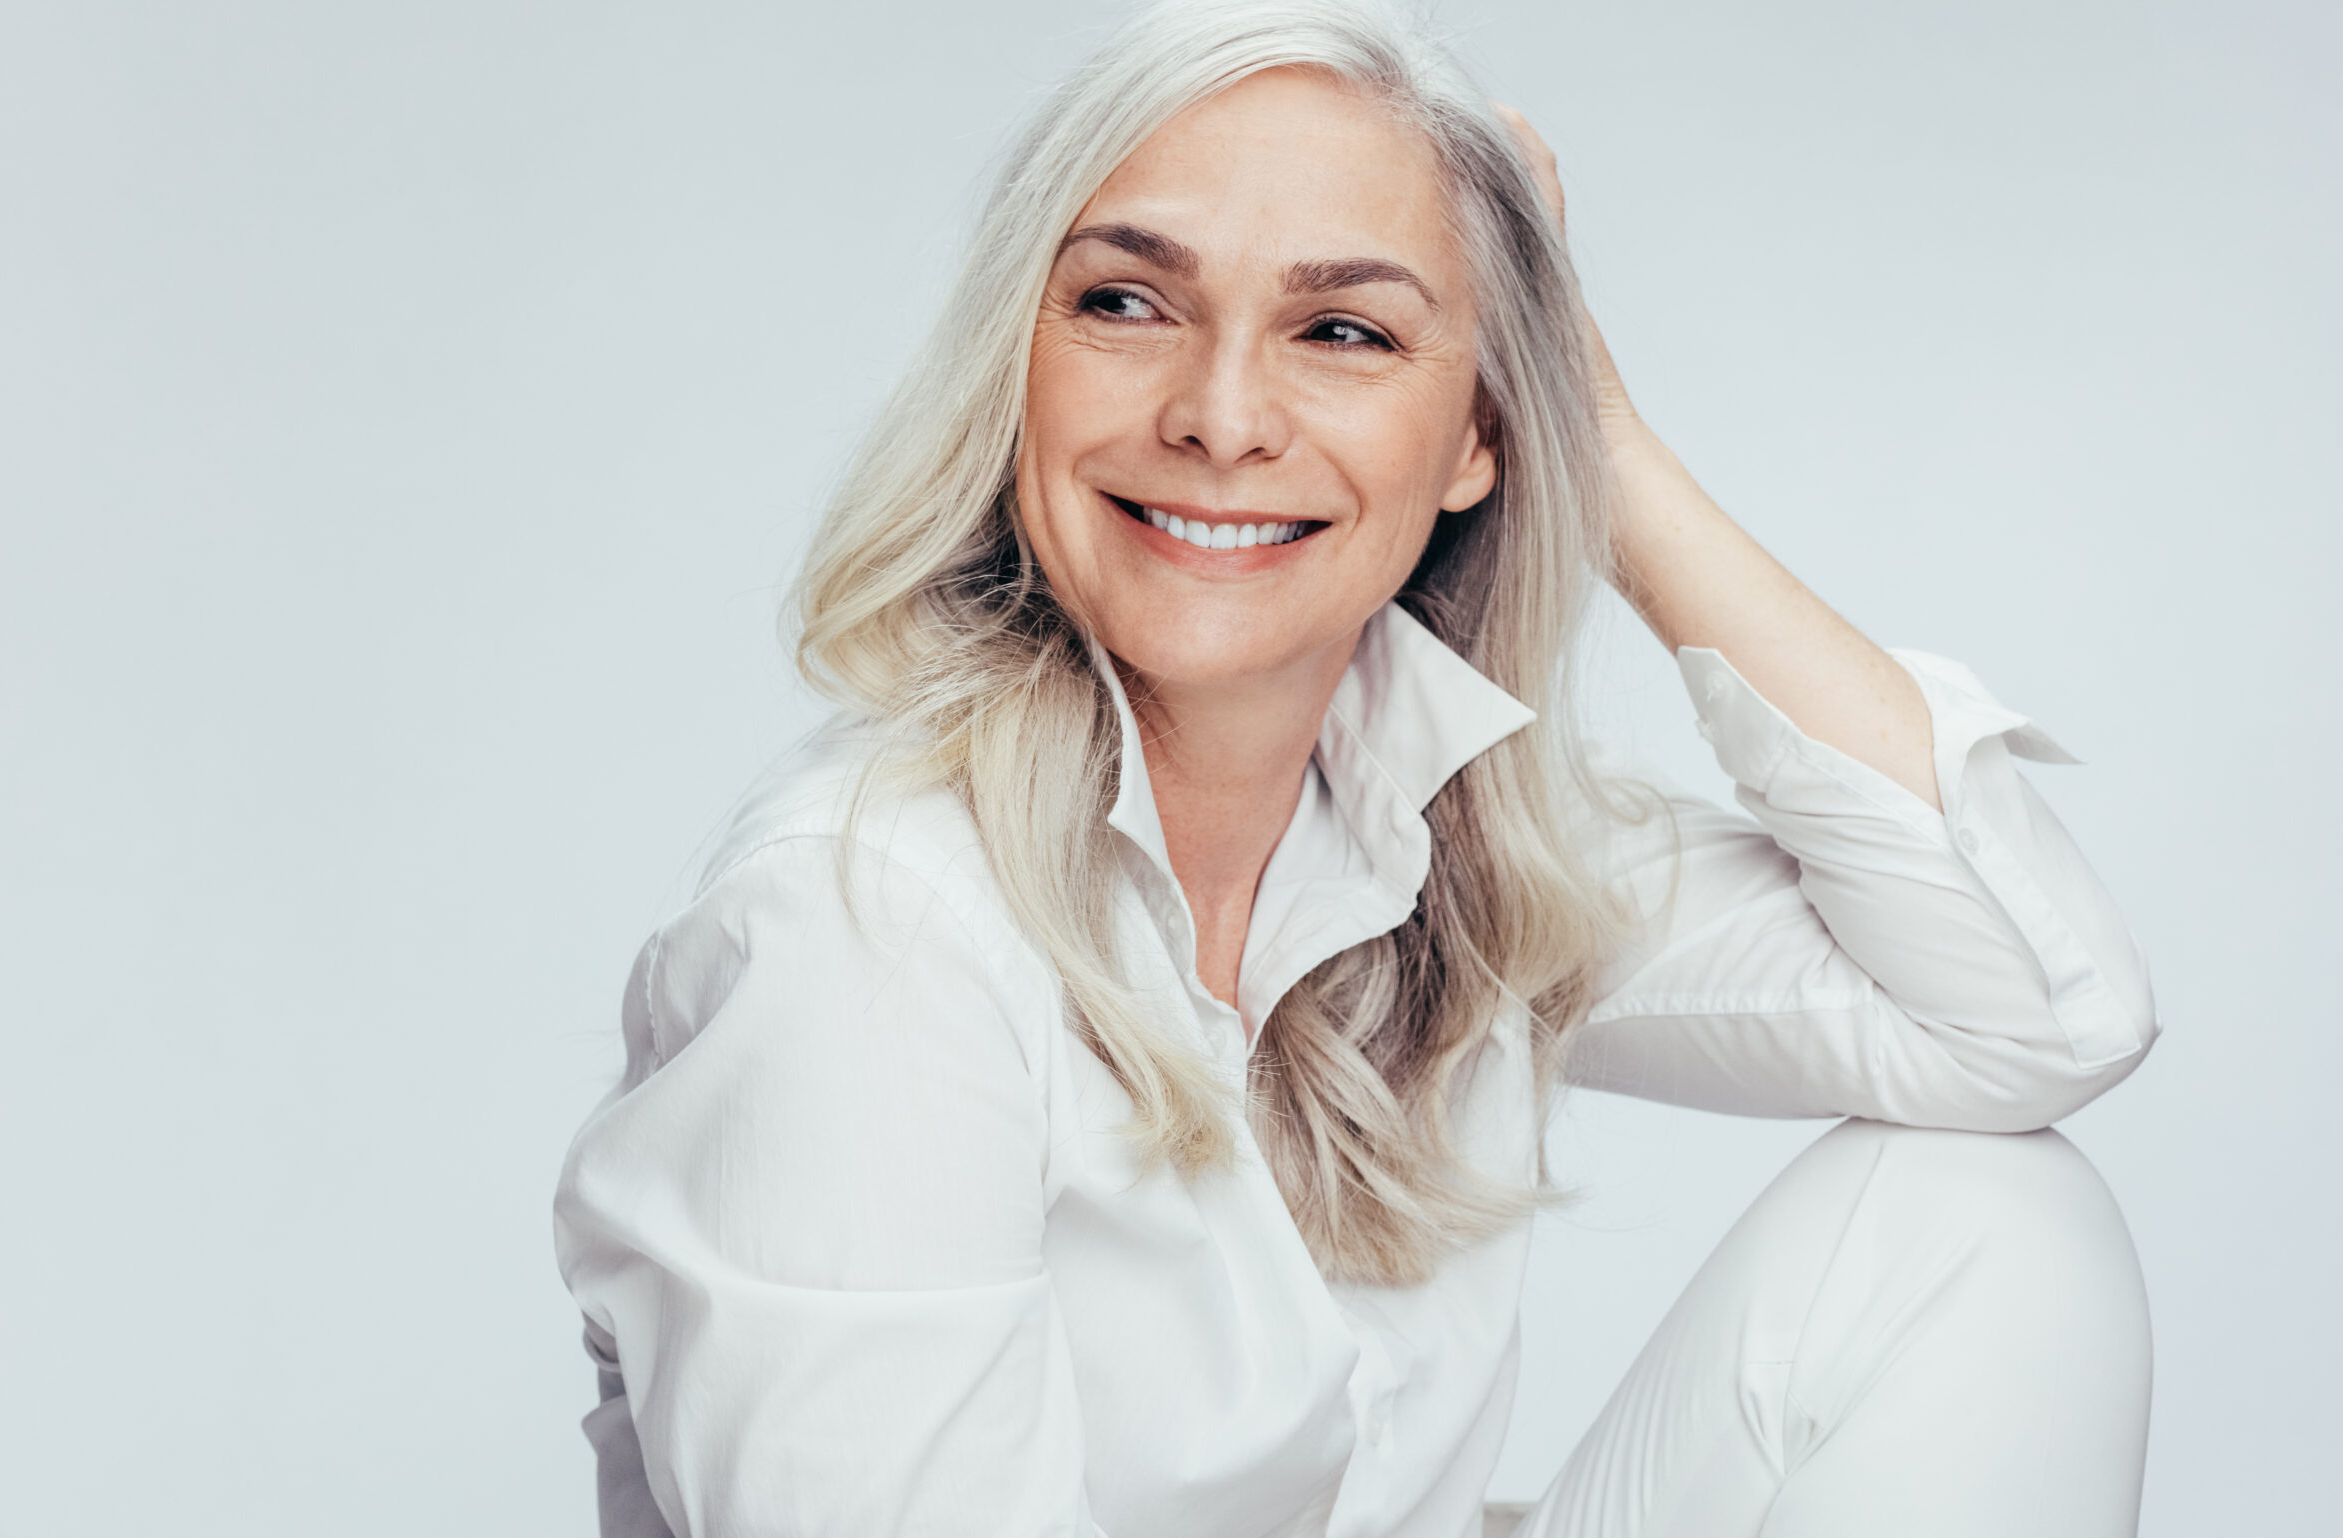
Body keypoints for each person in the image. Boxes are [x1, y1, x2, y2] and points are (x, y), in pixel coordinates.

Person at [553, 1, 2158, 1533]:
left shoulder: (1438, 835)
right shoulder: (870, 930)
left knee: (1994, 1226)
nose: (1224, 414)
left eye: (1344, 329)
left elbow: (2029, 1011)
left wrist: (1603, 449)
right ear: (1013, 359)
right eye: (1126, 301)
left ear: (1478, 436)